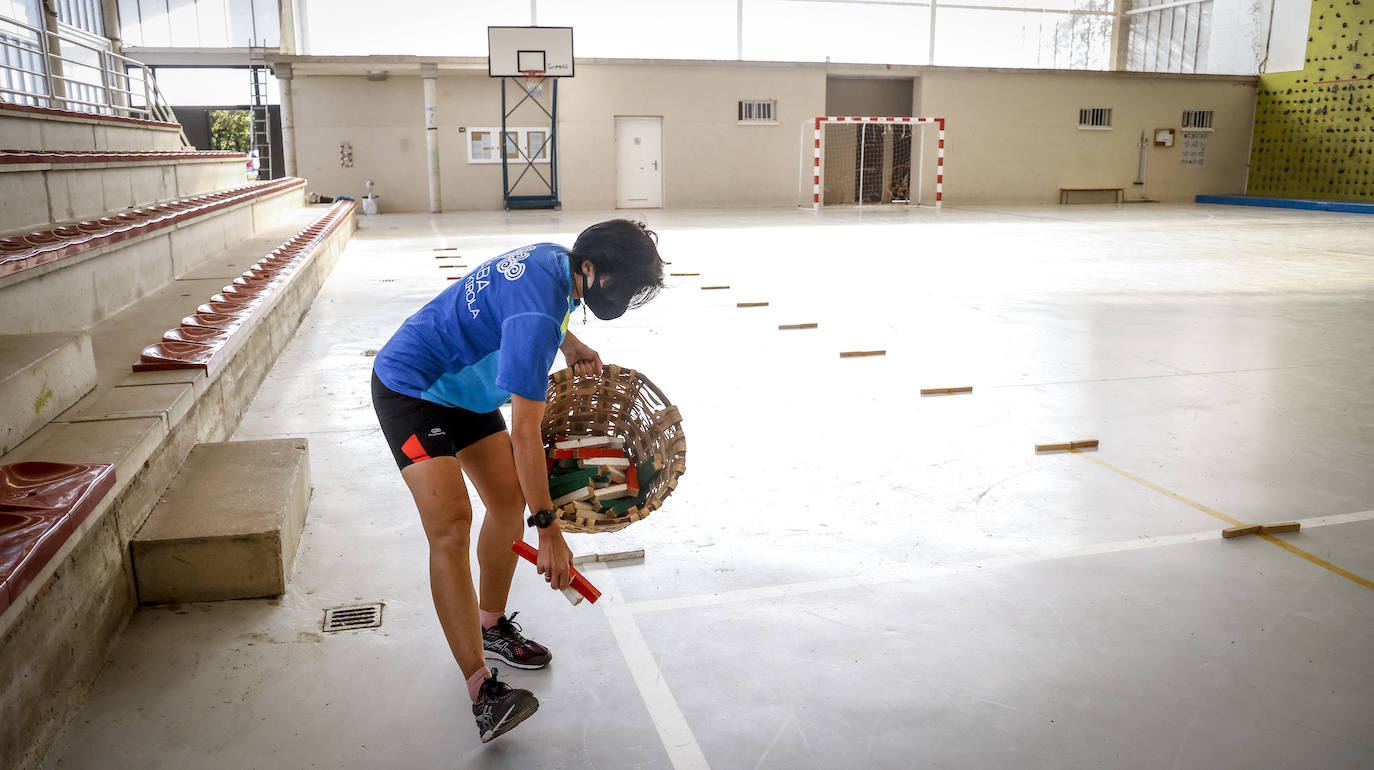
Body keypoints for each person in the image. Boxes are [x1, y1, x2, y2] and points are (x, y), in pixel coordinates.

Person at [369, 220, 665, 743]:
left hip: (466, 394)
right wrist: (549, 532)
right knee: (452, 527)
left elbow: (532, 310)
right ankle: (481, 689)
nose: (624, 296)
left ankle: (491, 625)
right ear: (591, 268)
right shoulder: (534, 321)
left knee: (505, 504)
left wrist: (569, 342)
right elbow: (526, 436)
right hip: (412, 387)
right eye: (621, 284)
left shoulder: (559, 261)